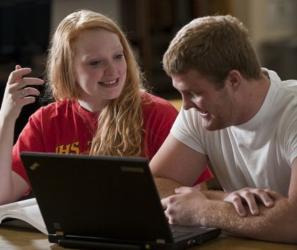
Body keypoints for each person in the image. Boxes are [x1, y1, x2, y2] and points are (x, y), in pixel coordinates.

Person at [0, 9, 192, 205]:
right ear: (67, 69)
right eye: (95, 62)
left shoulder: (157, 113)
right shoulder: (45, 121)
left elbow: (192, 192)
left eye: (118, 56)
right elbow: (3, 196)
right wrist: (5, 119)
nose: (112, 70)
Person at [150, 15, 297, 244]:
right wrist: (221, 199)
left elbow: (293, 222)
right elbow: (154, 186)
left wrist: (203, 210)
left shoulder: (293, 113)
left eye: (194, 93)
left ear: (234, 81)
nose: (186, 105)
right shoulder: (199, 113)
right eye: (181, 93)